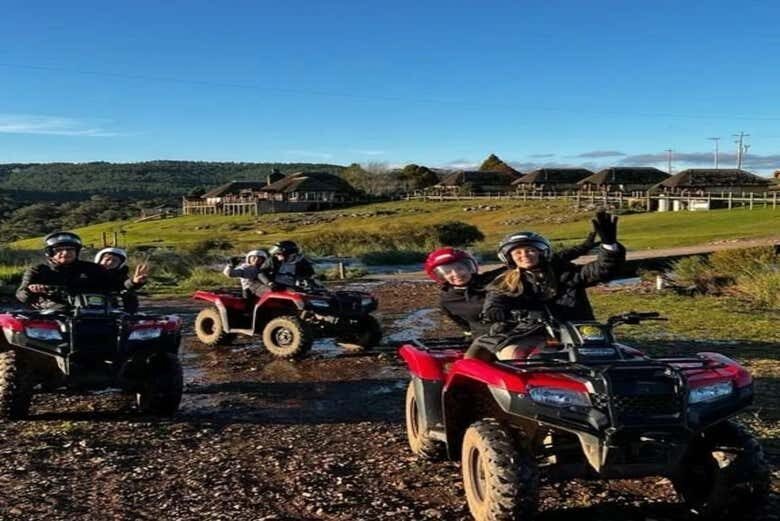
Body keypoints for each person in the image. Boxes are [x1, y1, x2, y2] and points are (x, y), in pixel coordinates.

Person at [468, 211, 625, 360]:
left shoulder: (566, 273)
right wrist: (501, 313)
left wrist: (609, 246)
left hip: (576, 332)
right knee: (515, 356)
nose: (525, 255)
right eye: (518, 253)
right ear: (510, 258)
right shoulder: (503, 283)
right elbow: (493, 305)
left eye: (530, 250)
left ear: (541, 253)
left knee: (620, 356)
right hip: (525, 333)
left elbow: (602, 270)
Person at [424, 231, 598, 338]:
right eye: (448, 272)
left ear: (470, 266)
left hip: (524, 331)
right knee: (470, 365)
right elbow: (463, 325)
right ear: (439, 276)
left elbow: (534, 261)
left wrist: (581, 249)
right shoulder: (446, 301)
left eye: (460, 268)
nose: (456, 274)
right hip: (488, 339)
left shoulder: (494, 278)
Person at [16, 231, 114, 310]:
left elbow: (111, 289)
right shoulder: (37, 270)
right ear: (49, 253)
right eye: (59, 250)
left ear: (77, 251)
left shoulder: (94, 269)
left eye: (70, 249)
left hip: (91, 310)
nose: (66, 252)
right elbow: (21, 295)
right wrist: (30, 290)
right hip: (50, 314)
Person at [94, 247, 149, 313]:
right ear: (99, 260)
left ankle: (130, 316)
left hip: (111, 309)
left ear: (120, 264)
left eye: (115, 260)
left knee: (129, 293)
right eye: (107, 259)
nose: (110, 262)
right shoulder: (89, 272)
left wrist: (134, 282)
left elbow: (124, 284)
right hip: (88, 307)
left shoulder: (120, 275)